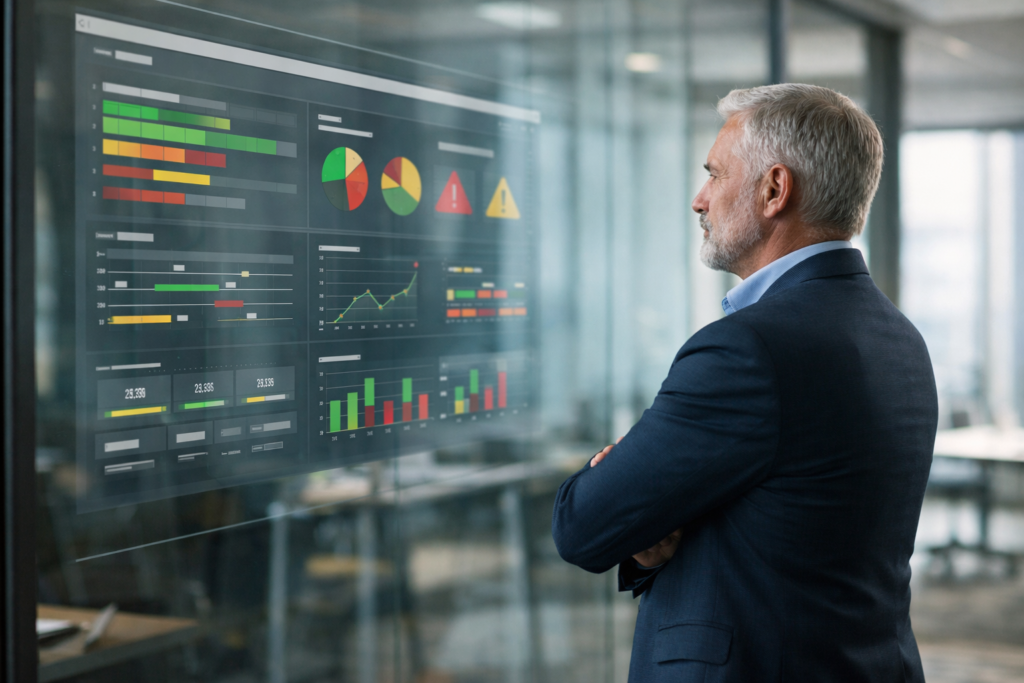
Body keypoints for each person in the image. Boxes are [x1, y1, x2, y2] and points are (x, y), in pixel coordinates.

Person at [551, 83, 938, 682]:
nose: (699, 199)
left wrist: (635, 512)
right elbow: (794, 525)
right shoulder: (899, 337)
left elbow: (583, 526)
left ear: (773, 190)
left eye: (714, 174)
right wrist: (650, 526)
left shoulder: (748, 349)